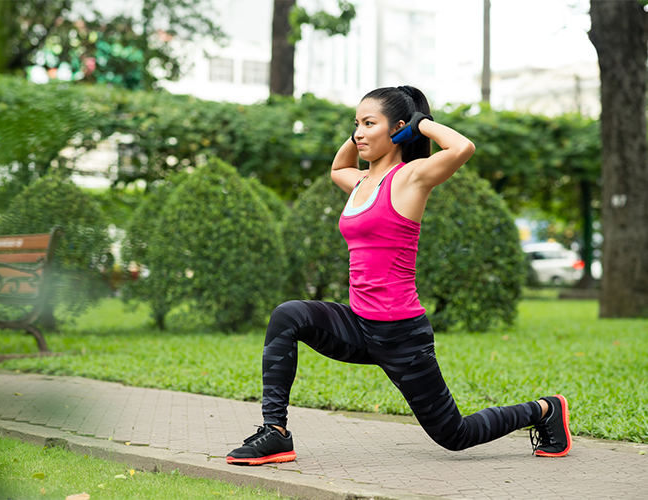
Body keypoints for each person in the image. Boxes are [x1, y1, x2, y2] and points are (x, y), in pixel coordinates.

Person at [225, 85, 572, 466]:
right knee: (288, 314)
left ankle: (545, 410)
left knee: (455, 435)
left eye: (369, 123)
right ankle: (275, 433)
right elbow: (337, 168)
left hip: (400, 333)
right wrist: (366, 130)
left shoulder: (411, 178)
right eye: (356, 123)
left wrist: (419, 126)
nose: (358, 132)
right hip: (358, 325)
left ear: (400, 128)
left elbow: (462, 148)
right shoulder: (359, 183)